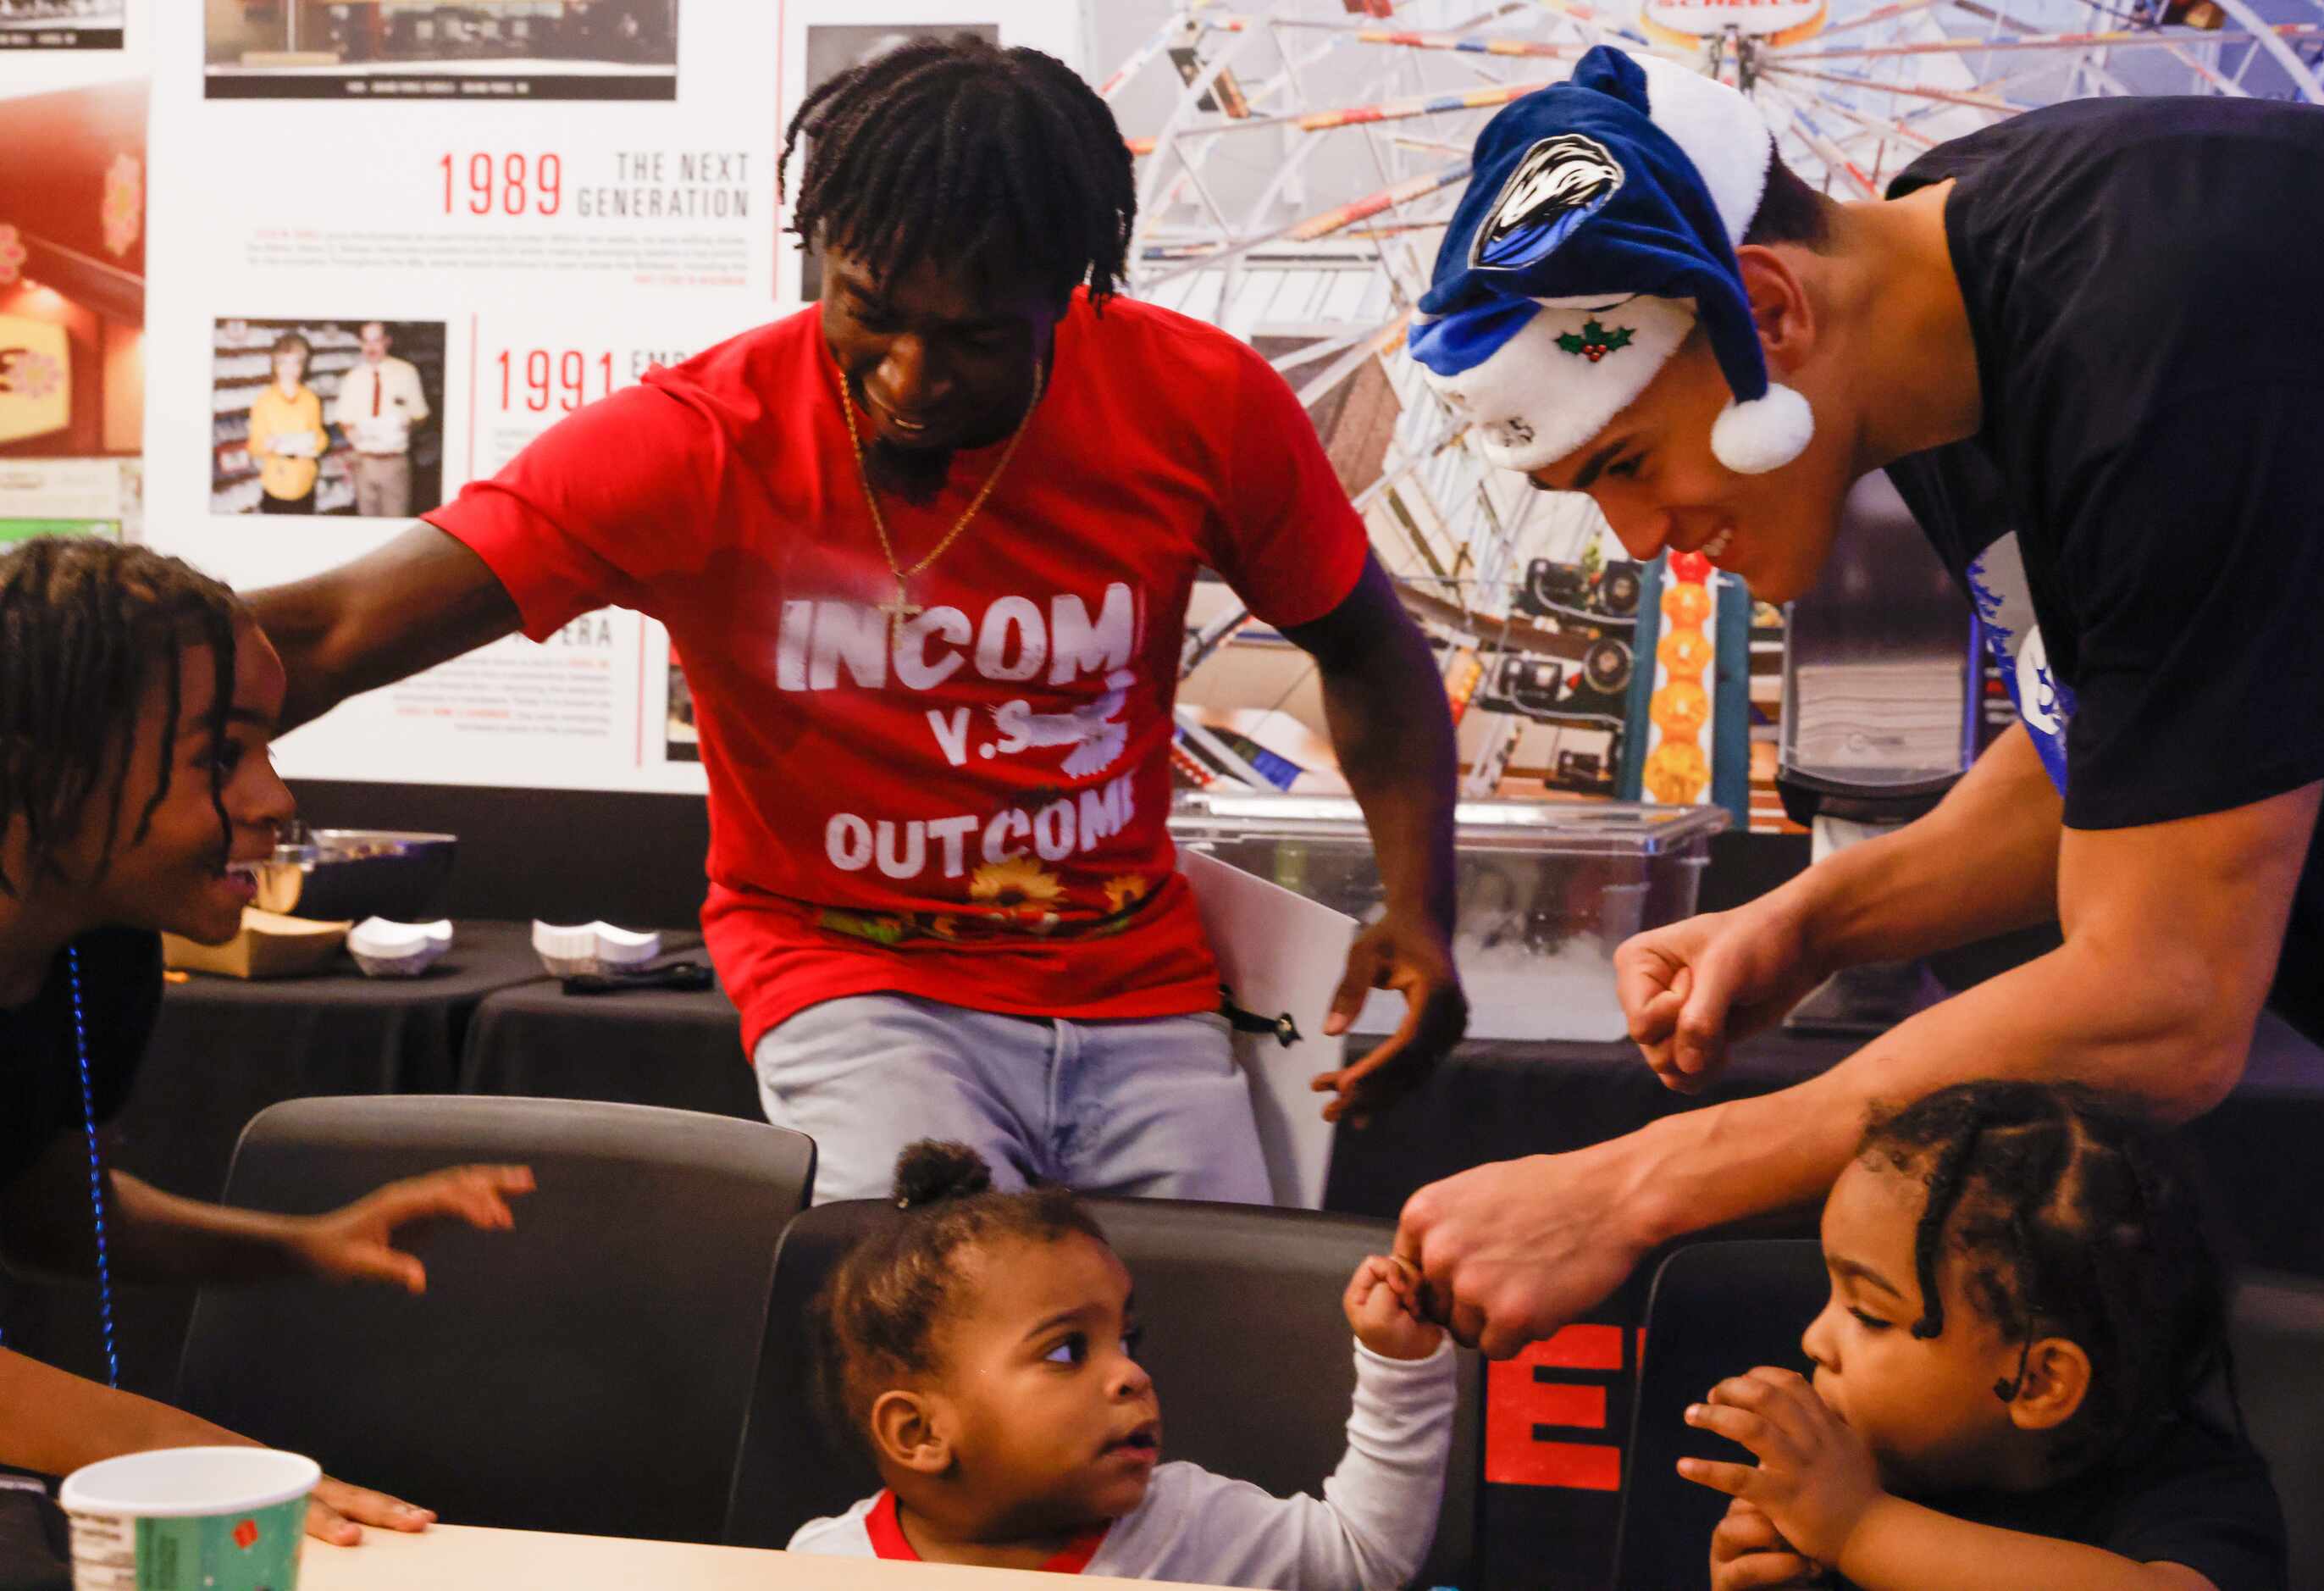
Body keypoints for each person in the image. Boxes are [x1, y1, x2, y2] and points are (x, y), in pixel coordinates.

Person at [1389, 47, 2324, 1582]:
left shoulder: (2182, 326)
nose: (1640, 539)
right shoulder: (1964, 303)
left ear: (1764, 309)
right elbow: (2124, 744)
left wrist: (1633, 1184)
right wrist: (1815, 917)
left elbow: (2160, 1005)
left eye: (1629, 464)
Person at [249, 36, 1467, 1206]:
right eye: (867, 308)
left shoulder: (1202, 402)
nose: (907, 377)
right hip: (853, 977)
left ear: (1068, 294)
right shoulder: (699, 441)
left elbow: (1362, 645)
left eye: (974, 338)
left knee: (1222, 1350)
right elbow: (332, 629)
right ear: (822, 251)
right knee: (936, 1306)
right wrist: (86, 669)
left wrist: (1419, 906)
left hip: (1137, 980)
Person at [0, 537, 535, 1548]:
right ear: (47, 768)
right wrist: (179, 1455)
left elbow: (44, 1211)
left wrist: (307, 1245)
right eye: (219, 756)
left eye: (267, 750)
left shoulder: (97, 949)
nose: (275, 801)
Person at [1687, 1082, 2282, 1591]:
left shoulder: (2191, 1492)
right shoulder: (1864, 1477)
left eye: (1868, 1313)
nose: (1815, 1338)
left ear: (2038, 1381)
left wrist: (1861, 1530)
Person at [787, 1139, 1455, 1585]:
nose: (1132, 1375)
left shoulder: (1195, 1528)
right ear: (919, 1433)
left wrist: (1401, 1368)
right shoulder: (824, 1570)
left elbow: (1360, 1557)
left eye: (1127, 1341)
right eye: (1067, 1350)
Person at [330, 321, 428, 519]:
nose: (371, 348)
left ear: (387, 341)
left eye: (376, 341)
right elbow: (344, 418)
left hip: (394, 463)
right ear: (360, 343)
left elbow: (421, 416)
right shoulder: (353, 378)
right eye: (366, 341)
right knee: (367, 525)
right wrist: (349, 430)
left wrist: (408, 427)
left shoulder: (407, 373)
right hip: (363, 463)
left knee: (395, 528)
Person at [243, 333, 327, 516]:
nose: (289, 369)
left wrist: (315, 446)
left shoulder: (311, 399)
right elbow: (253, 447)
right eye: (283, 362)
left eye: (295, 362)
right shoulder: (264, 400)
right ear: (275, 365)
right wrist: (266, 445)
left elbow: (321, 438)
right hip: (277, 484)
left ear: (302, 365)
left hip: (305, 482)